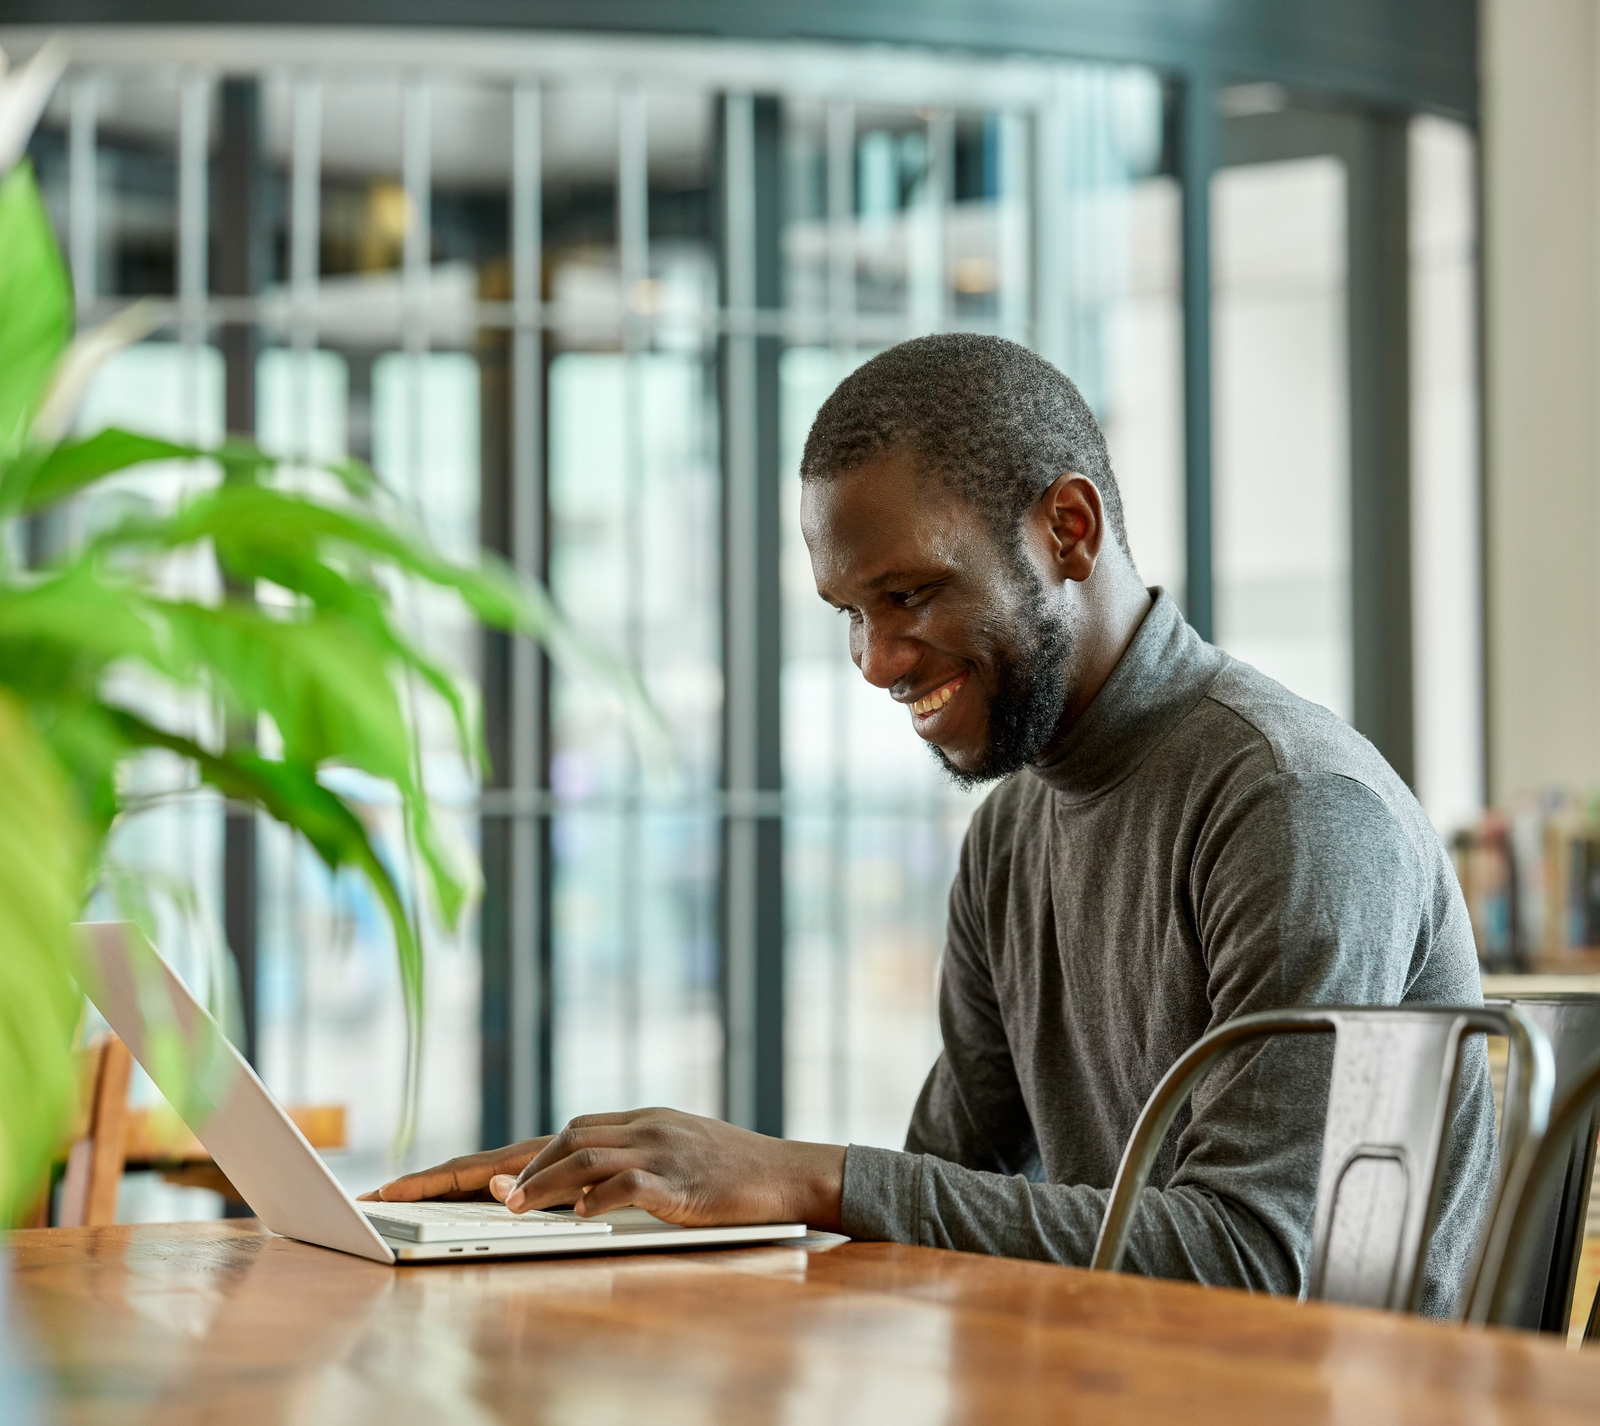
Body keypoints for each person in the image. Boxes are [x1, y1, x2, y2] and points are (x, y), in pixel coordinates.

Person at [365, 334, 1495, 1315]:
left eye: (906, 596)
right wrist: (595, 1222)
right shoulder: (1010, 838)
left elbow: (1261, 1264)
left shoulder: (1288, 803)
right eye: (849, 614)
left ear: (1067, 528)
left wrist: (812, 1176)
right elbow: (946, 1196)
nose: (875, 662)